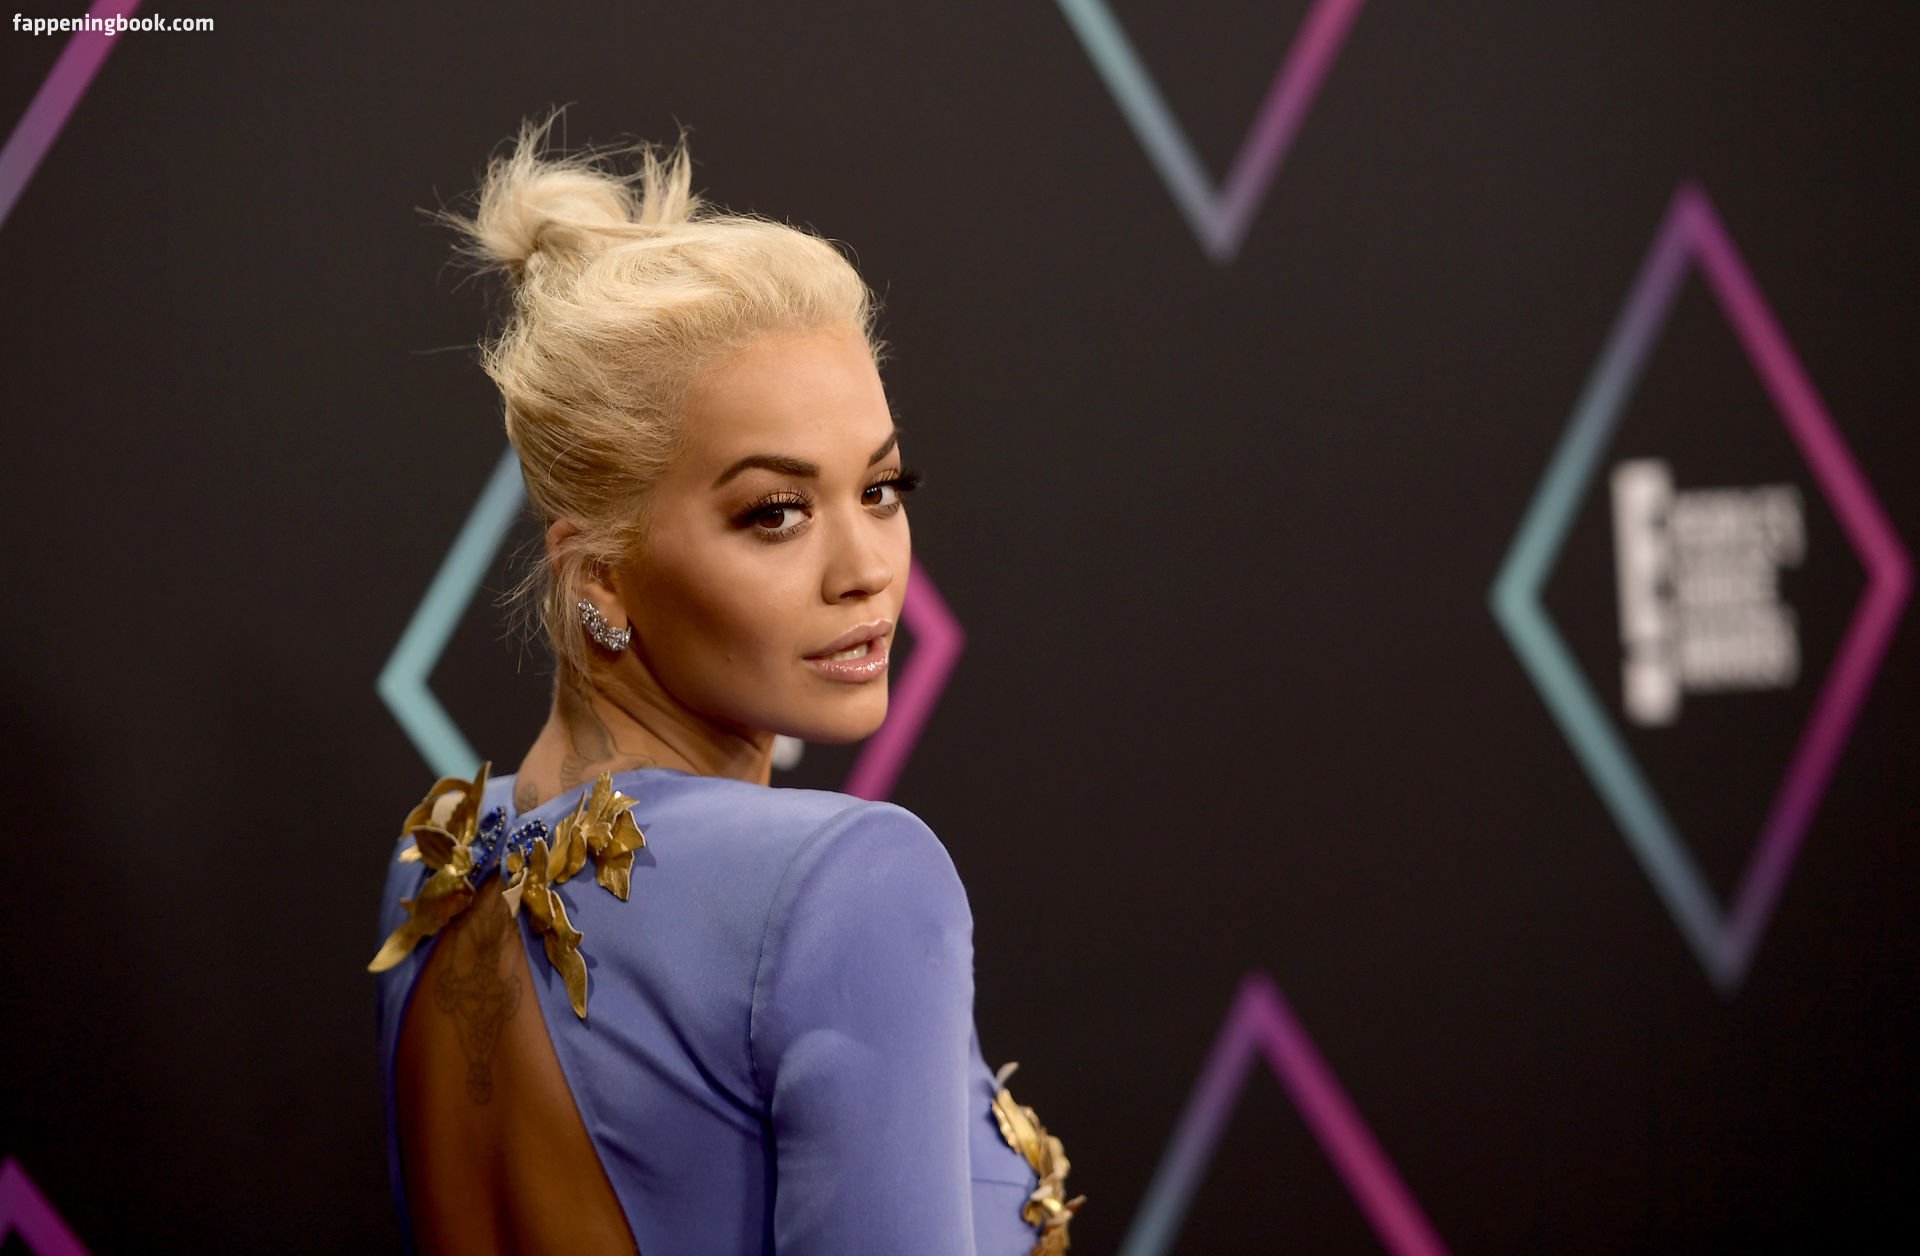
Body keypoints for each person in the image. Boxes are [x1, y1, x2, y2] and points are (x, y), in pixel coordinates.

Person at [368, 112, 1083, 1254]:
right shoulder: (851, 883)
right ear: (600, 577)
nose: (866, 569)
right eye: (776, 512)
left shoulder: (440, 863)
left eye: (882, 489)